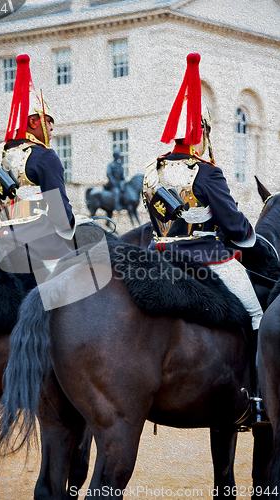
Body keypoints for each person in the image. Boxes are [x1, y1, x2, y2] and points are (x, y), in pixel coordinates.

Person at [143, 53, 266, 424]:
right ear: (201, 134)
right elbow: (234, 227)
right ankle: (259, 397)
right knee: (258, 315)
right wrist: (248, 238)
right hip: (207, 259)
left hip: (158, 257)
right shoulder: (207, 172)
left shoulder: (152, 172)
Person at [0, 54, 77, 275]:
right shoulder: (44, 156)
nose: (52, 128)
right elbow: (60, 216)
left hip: (3, 239)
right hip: (41, 243)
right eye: (48, 121)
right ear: (34, 121)